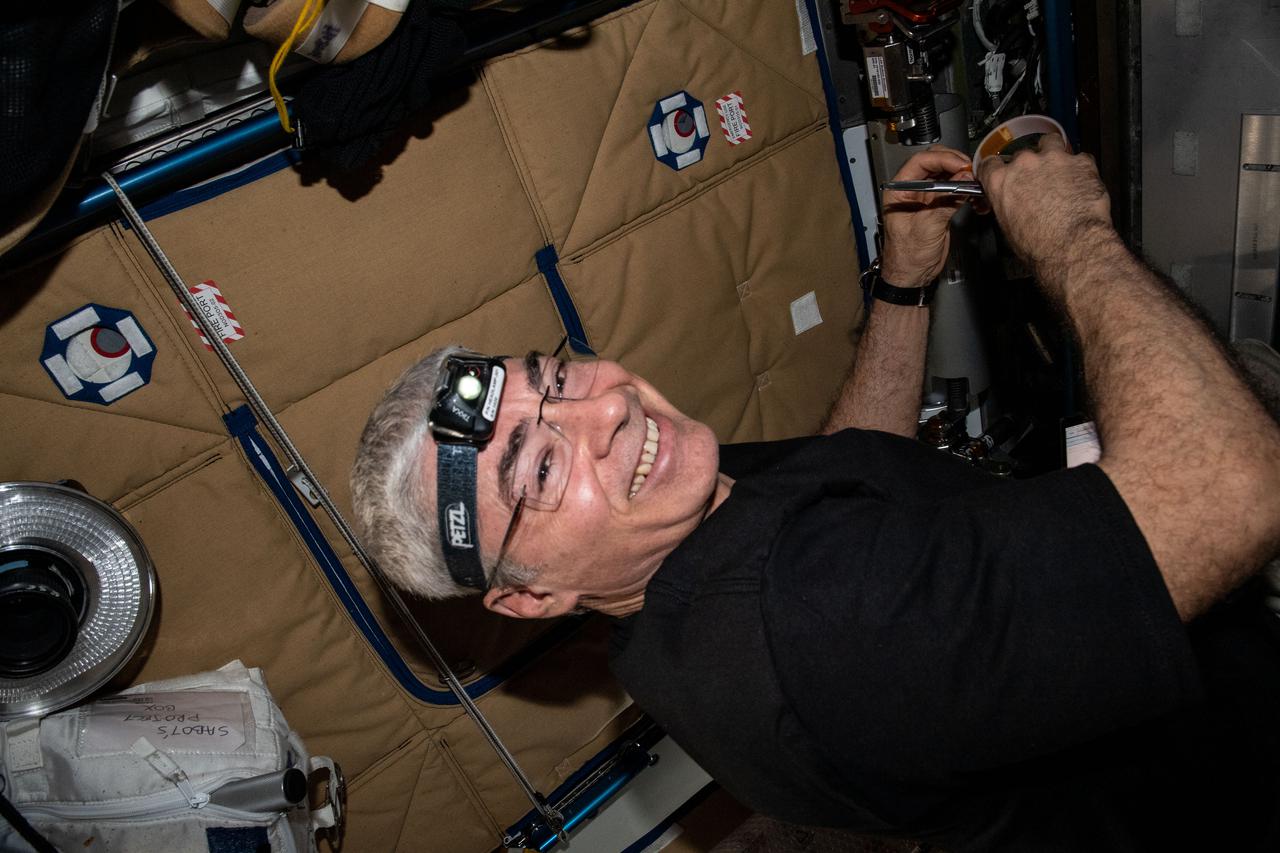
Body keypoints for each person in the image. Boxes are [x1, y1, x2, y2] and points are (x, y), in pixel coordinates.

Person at [350, 139, 1280, 851]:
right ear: (528, 596)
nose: (606, 411)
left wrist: (904, 284)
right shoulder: (825, 613)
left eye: (553, 380)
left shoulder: (666, 582)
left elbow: (839, 469)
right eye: (541, 469)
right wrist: (1073, 236)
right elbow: (1237, 487)